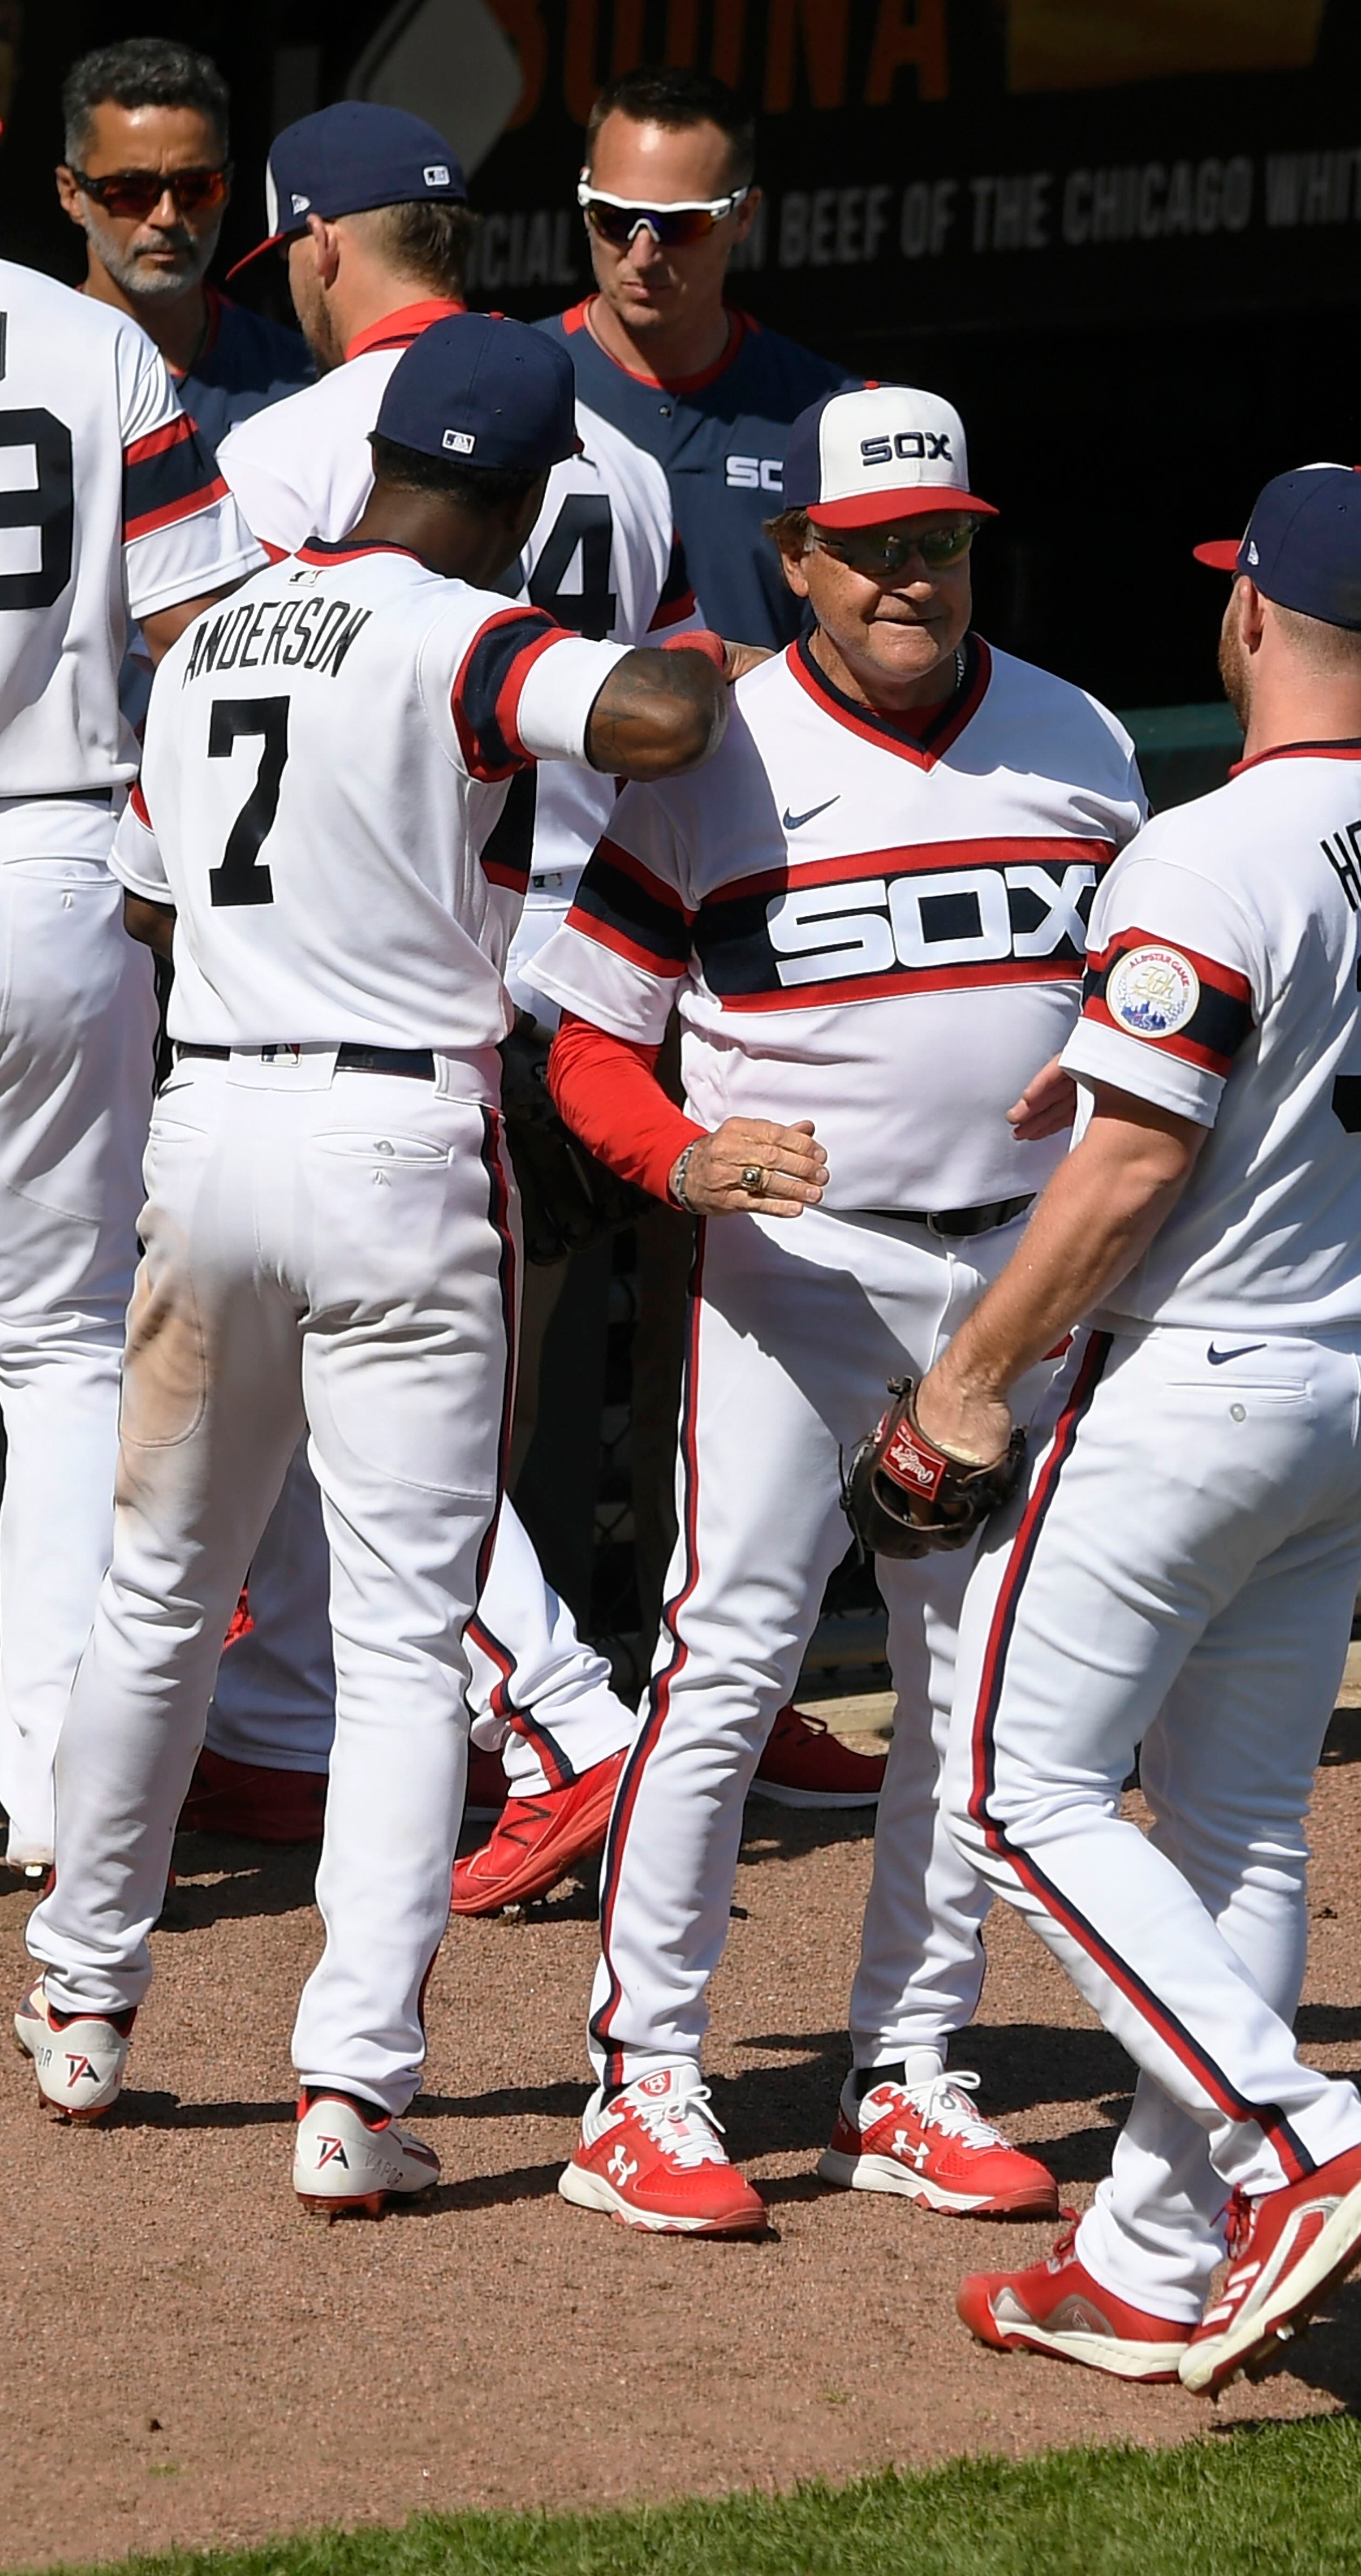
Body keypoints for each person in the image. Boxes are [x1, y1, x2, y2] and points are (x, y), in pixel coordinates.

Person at [17, 317, 726, 2215]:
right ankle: (352, 2089)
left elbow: (156, 899)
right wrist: (717, 654)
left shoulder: (218, 627)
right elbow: (648, 724)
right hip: (399, 1138)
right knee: (409, 1639)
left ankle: (82, 2004)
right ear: (505, 496)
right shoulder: (457, 625)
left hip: (212, 1127)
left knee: (158, 1586)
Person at [902, 465, 1361, 2392]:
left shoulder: (1205, 850)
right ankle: (1146, 2259)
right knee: (1237, 1826)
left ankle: (1293, 2140)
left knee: (1018, 1791)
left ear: (1247, 615)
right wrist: (1112, 1090)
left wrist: (967, 1373)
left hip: (1195, 1387)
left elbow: (1122, 1182)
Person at [212, 100, 863, 1900]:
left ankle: (561, 1733)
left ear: (322, 248)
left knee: (402, 1406)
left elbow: (238, 717)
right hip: (598, 957)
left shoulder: (290, 449)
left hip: (413, 968)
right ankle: (332, 1721)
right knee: (464, 1393)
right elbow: (663, 698)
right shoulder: (621, 460)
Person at [523, 384, 1146, 2236]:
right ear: (792, 556)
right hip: (800, 1276)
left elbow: (1148, 1001)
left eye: (936, 545)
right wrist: (684, 1161)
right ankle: (640, 2082)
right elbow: (586, 1044)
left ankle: (907, 2066)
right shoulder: (710, 753)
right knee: (725, 1660)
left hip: (1014, 1277)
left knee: (969, 1687)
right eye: (868, 551)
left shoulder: (1078, 737)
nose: (907, 582)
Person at [0, 258, 262, 1886]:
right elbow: (199, 632)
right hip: (53, 856)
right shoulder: (88, 339)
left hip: (54, 844)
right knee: (55, 1346)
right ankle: (41, 1776)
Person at [541, 65, 859, 651]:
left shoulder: (833, 419)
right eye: (612, 216)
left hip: (762, 744)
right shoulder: (509, 385)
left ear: (744, 215)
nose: (641, 252)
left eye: (680, 223)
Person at [57, 39, 313, 456]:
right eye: (131, 191)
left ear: (226, 189)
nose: (167, 216)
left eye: (196, 188)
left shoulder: (297, 383)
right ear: (71, 195)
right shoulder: (22, 377)